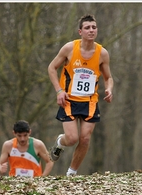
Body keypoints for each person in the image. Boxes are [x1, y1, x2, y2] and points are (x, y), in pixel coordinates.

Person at [47, 14, 114, 176]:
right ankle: (59, 142)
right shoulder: (69, 48)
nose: (91, 30)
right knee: (72, 139)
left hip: (90, 101)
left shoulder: (102, 53)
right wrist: (59, 90)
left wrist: (109, 89)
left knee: (84, 139)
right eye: (87, 28)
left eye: (94, 27)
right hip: (69, 100)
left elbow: (108, 77)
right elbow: (51, 68)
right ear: (80, 31)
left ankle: (71, 173)